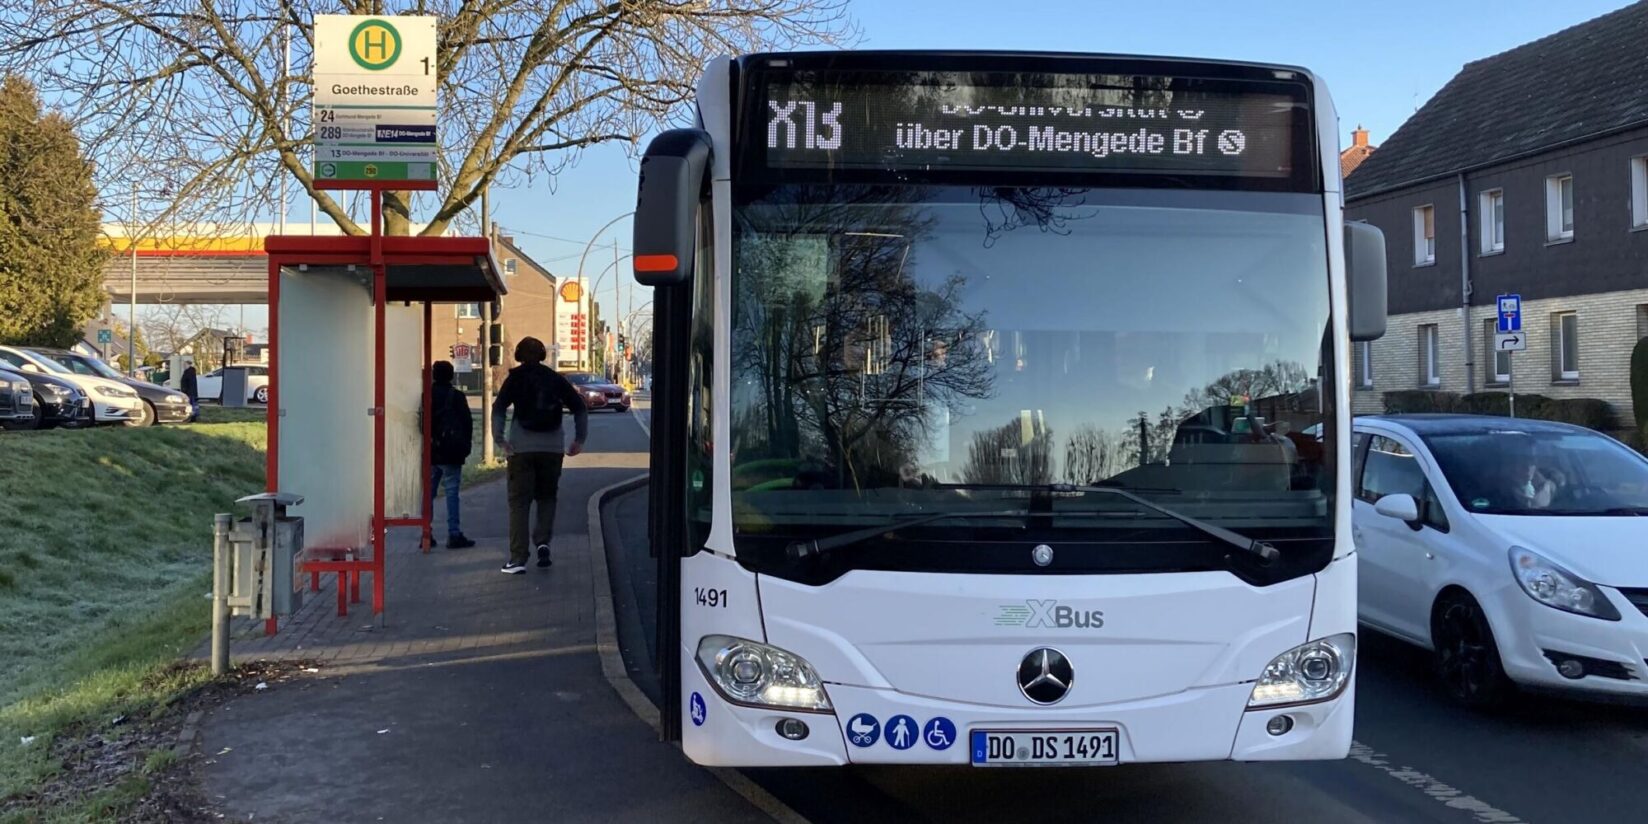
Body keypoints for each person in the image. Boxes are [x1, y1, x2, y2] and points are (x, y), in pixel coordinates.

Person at [491, 337, 587, 574]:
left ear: (520, 355)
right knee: (547, 497)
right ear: (543, 354)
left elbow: (499, 408)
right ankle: (543, 541)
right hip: (552, 448)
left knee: (519, 503)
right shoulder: (556, 379)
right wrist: (579, 439)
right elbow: (579, 407)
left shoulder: (515, 378)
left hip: (520, 449)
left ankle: (518, 558)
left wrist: (500, 439)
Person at [429, 360, 476, 549]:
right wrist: (465, 447)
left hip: (432, 453)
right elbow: (467, 423)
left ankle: (426, 533)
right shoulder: (457, 396)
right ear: (451, 376)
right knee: (452, 493)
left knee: (428, 494)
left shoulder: (427, 395)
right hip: (451, 453)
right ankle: (454, 534)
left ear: (433, 375)